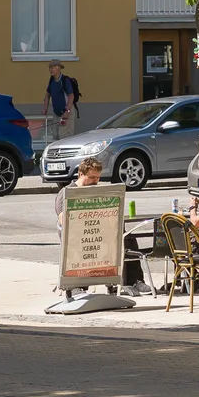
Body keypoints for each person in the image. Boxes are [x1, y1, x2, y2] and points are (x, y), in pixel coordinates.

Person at [54, 156, 147, 293]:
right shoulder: (67, 192)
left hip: (99, 230)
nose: (95, 181)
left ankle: (133, 281)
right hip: (79, 234)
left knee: (127, 236)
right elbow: (63, 219)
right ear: (81, 174)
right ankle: (75, 286)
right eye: (92, 177)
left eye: (98, 178)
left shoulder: (97, 190)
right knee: (84, 244)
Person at [42, 60, 80, 144]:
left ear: (58, 68)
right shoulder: (52, 80)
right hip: (57, 112)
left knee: (65, 138)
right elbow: (47, 94)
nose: (50, 70)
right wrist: (45, 108)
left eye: (52, 68)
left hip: (66, 112)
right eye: (49, 68)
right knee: (56, 137)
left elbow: (71, 96)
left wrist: (67, 111)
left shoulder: (65, 80)